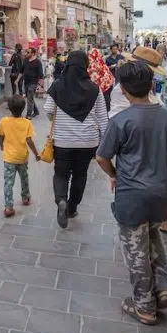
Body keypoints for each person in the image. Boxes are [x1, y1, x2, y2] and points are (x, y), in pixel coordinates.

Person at [95, 61, 167, 325]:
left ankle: (145, 306)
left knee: (135, 248)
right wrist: (161, 168)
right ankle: (163, 285)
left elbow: (102, 157)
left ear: (122, 90)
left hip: (132, 193)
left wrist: (115, 174)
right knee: (152, 233)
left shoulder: (121, 121)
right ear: (151, 86)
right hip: (162, 192)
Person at [108, 46, 167, 239]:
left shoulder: (142, 86)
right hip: (133, 139)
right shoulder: (125, 89)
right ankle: (143, 224)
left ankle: (161, 222)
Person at [44, 51, 108, 229]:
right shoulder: (95, 89)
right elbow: (103, 118)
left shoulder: (57, 86)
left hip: (63, 141)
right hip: (88, 142)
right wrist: (104, 143)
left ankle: (61, 200)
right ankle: (72, 208)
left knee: (61, 173)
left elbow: (48, 109)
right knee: (80, 175)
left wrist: (58, 122)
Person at [0, 95, 39, 218]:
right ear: (24, 108)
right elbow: (29, 141)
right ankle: (26, 198)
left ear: (9, 108)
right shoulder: (27, 123)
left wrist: (2, 147)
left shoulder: (4, 121)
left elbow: (1, 136)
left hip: (9, 158)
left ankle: (9, 207)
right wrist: (36, 154)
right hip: (22, 157)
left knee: (8, 182)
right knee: (24, 177)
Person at [87, 48, 115, 112]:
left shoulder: (87, 68)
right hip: (105, 99)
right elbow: (111, 83)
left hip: (91, 101)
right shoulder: (104, 67)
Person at [21, 48, 43, 118]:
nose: (26, 53)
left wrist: (40, 85)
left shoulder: (37, 62)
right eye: (26, 52)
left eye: (28, 52)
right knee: (29, 98)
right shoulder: (25, 60)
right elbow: (21, 71)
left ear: (33, 53)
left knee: (29, 97)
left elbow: (40, 74)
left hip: (34, 82)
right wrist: (17, 80)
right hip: (26, 82)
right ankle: (36, 111)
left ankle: (28, 114)